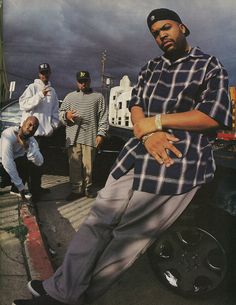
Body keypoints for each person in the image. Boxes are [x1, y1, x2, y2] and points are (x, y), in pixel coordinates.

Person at [13, 8, 232, 305]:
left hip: (177, 163)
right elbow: (136, 104)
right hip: (136, 155)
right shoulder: (151, 67)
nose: (161, 35)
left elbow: (212, 116)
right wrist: (146, 130)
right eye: (155, 33)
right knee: (97, 221)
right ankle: (62, 290)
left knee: (128, 237)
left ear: (183, 28)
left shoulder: (209, 66)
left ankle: (80, 296)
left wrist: (157, 123)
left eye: (167, 28)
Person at [59, 71, 109, 201]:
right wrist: (66, 116)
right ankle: (76, 190)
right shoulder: (69, 97)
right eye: (81, 81)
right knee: (74, 165)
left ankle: (87, 188)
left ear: (90, 81)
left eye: (85, 81)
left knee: (89, 166)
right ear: (77, 82)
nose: (83, 83)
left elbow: (103, 117)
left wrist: (101, 134)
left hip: (90, 136)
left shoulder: (98, 97)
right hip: (73, 137)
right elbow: (60, 114)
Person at [19, 63, 60, 201]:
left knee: (41, 164)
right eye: (42, 72)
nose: (44, 75)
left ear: (50, 73)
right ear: (39, 74)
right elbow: (23, 104)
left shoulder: (53, 92)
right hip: (32, 135)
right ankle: (32, 192)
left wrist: (53, 126)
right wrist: (39, 95)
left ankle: (37, 188)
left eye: (47, 72)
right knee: (31, 164)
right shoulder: (32, 88)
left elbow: (55, 111)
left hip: (45, 135)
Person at [0, 116, 43, 202]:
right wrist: (20, 186)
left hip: (13, 165)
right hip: (2, 165)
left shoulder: (32, 141)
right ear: (23, 123)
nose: (31, 129)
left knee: (32, 163)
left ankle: (16, 190)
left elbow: (40, 162)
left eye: (34, 128)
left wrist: (26, 147)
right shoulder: (9, 134)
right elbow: (7, 161)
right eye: (29, 125)